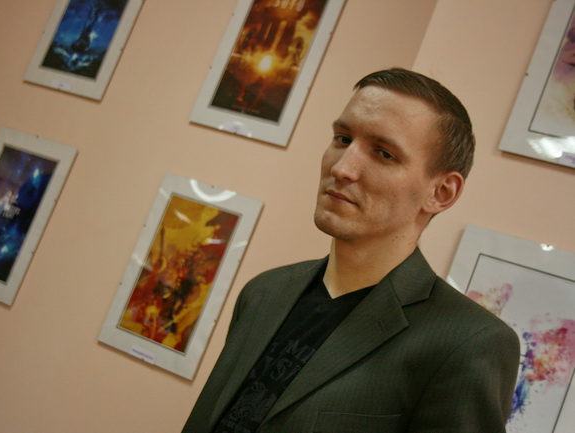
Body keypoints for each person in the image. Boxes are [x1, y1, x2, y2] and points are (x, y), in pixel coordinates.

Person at [181, 68, 520, 433]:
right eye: (342, 139)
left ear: (440, 193)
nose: (342, 168)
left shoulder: (467, 343)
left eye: (384, 154)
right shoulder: (264, 292)